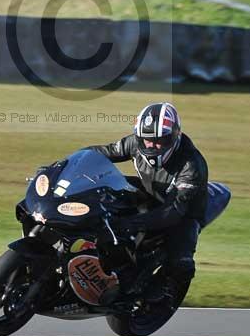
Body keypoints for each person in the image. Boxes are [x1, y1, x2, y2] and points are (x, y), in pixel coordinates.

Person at [89, 101, 208, 306]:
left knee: (181, 261)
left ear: (174, 137)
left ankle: (162, 288)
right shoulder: (135, 143)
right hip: (149, 192)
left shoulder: (191, 164)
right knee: (105, 187)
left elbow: (173, 212)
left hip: (183, 210)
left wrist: (132, 223)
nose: (151, 145)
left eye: (160, 141)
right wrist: (61, 165)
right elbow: (101, 153)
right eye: (147, 140)